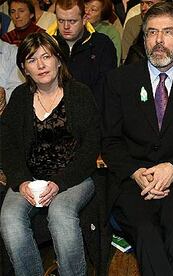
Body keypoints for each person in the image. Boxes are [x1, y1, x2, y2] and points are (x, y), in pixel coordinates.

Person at [102, 2, 173, 275]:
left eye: (168, 32)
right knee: (147, 234)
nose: (159, 41)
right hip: (134, 183)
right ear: (144, 39)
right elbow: (110, 140)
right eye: (152, 33)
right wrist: (134, 172)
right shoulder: (120, 81)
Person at [0, 32, 100, 276]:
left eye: (46, 56)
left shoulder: (80, 94)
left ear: (58, 59)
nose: (41, 65)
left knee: (60, 213)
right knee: (10, 218)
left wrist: (59, 183)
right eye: (32, 60)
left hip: (74, 177)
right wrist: (21, 180)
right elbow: (7, 144)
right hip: (30, 178)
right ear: (24, 68)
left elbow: (90, 148)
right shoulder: (20, 97)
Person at [47, 0, 117, 111]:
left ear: (84, 19)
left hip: (92, 114)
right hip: (53, 115)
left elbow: (105, 91)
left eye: (72, 21)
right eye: (60, 21)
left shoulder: (102, 45)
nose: (66, 26)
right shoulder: (47, 45)